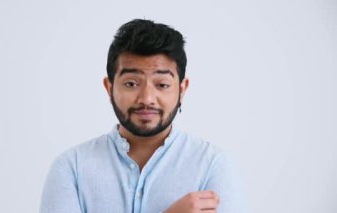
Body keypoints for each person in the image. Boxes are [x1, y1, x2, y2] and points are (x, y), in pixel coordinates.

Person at [40, 19, 247, 213]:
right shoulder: (71, 168)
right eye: (131, 83)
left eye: (162, 85)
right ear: (109, 87)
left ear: (182, 90)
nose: (147, 98)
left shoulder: (213, 166)